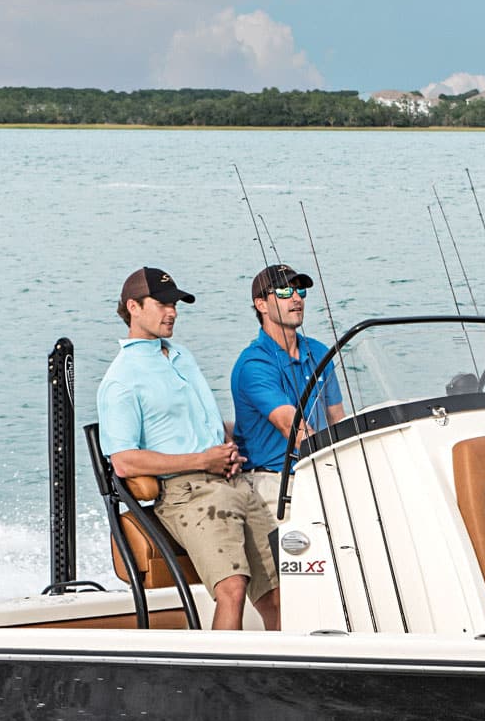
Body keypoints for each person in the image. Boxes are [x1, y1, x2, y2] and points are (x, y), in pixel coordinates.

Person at [96, 265, 280, 631]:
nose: (172, 312)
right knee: (232, 587)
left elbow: (202, 425)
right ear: (133, 307)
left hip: (233, 482)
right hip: (188, 494)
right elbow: (124, 461)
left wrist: (232, 444)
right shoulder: (121, 379)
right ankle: (221, 682)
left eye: (175, 304)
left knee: (277, 592)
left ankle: (283, 674)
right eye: (161, 303)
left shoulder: (180, 355)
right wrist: (203, 460)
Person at [230, 262, 349, 491]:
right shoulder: (254, 364)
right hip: (274, 478)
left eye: (300, 291)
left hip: (320, 466)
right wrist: (332, 469)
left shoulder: (319, 351)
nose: (296, 298)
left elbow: (337, 418)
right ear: (261, 304)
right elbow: (292, 428)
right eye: (284, 291)